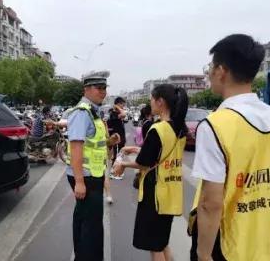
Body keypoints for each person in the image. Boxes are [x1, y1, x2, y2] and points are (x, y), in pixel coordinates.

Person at [190, 34, 270, 261]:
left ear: (221, 71)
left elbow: (211, 203)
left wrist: (203, 254)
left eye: (210, 67)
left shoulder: (215, 125)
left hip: (229, 245)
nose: (209, 73)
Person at [113, 84, 188, 260]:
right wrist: (136, 149)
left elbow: (144, 162)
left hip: (155, 193)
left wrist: (123, 164)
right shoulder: (180, 129)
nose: (150, 103)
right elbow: (158, 154)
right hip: (171, 191)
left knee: (155, 247)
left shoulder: (158, 129)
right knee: (162, 242)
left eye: (152, 100)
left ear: (160, 102)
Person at [66, 71, 112, 261]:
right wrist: (79, 182)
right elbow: (76, 147)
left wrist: (110, 142)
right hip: (86, 177)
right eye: (99, 88)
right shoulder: (82, 113)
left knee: (84, 219)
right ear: (87, 89)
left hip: (93, 174)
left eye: (104, 88)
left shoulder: (93, 111)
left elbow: (93, 143)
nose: (103, 92)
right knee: (91, 227)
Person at [105, 96, 127, 205]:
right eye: (122, 104)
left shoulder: (115, 112)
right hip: (116, 138)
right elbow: (124, 114)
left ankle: (115, 171)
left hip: (120, 137)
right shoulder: (114, 113)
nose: (123, 106)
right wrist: (118, 108)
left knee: (119, 154)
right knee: (117, 154)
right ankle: (114, 172)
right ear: (118, 104)